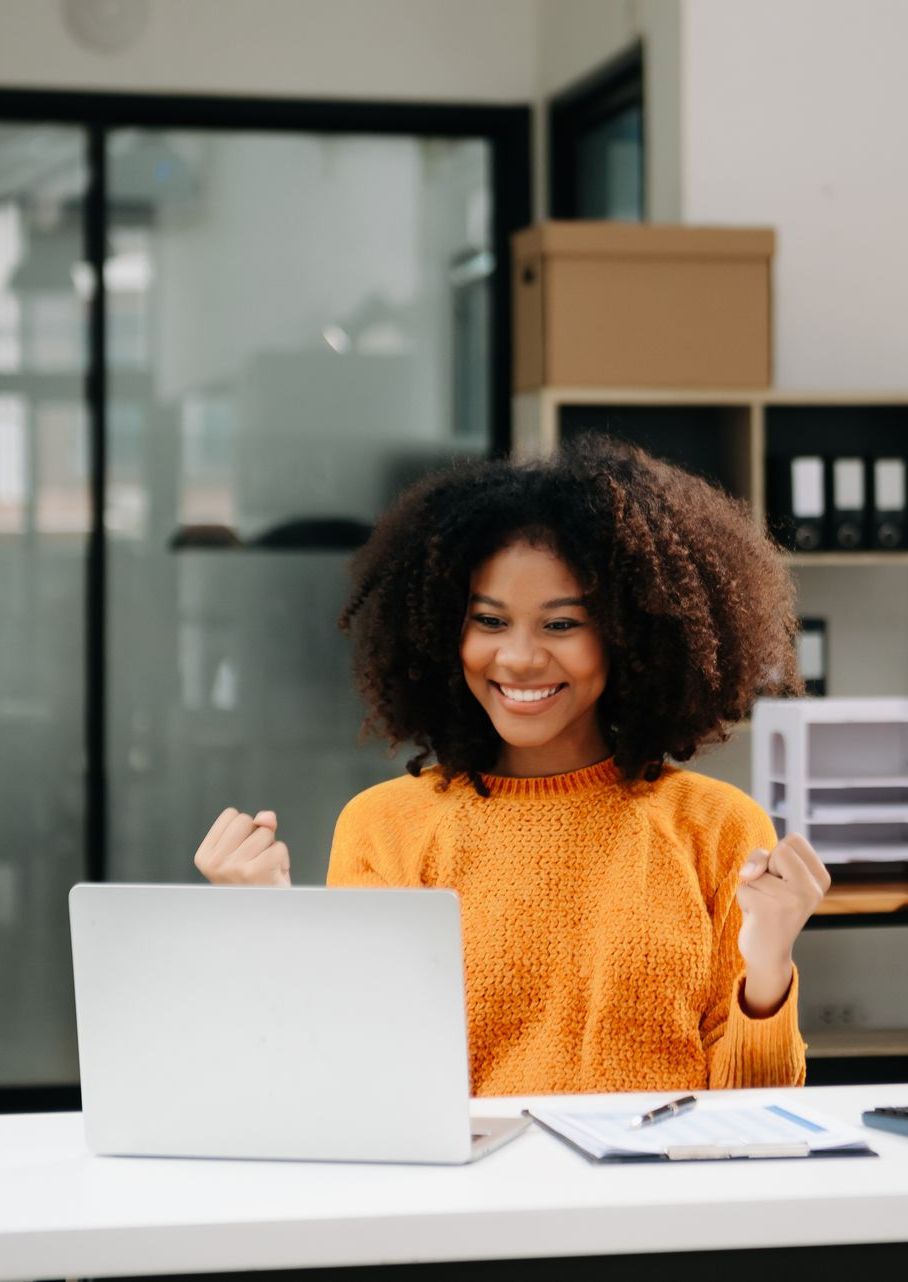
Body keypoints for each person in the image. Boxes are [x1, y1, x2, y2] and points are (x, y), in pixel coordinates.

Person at [194, 436, 831, 1096]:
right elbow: (356, 1081)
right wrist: (267, 922)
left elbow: (758, 1113)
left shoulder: (715, 826)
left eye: (561, 625)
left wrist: (770, 956)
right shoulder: (385, 829)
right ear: (444, 631)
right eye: (490, 621)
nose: (520, 658)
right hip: (472, 1196)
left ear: (629, 634)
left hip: (651, 1191)